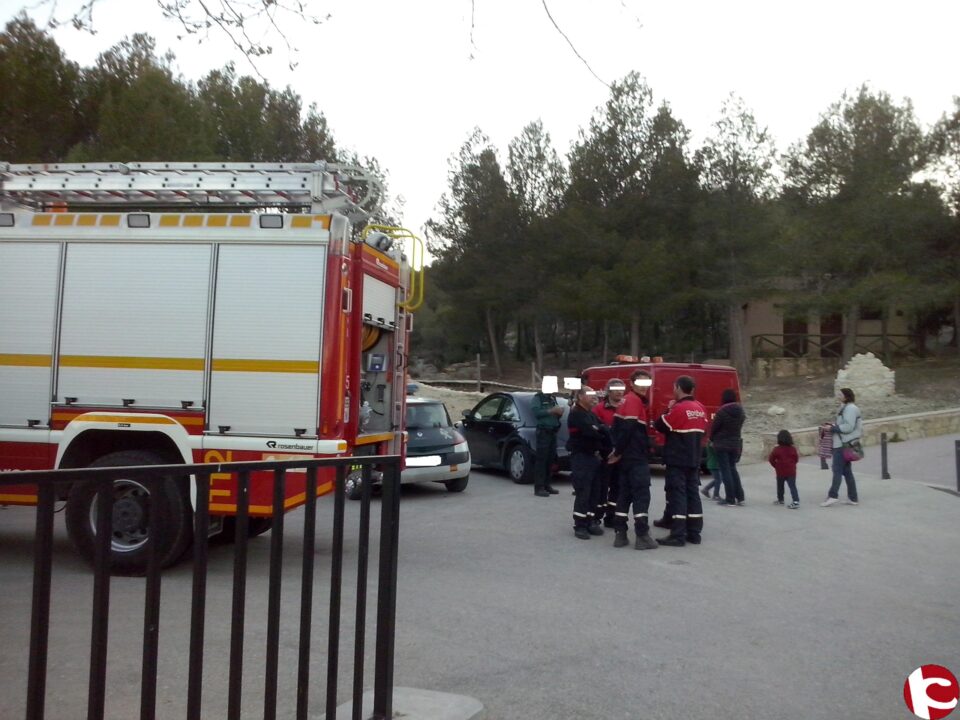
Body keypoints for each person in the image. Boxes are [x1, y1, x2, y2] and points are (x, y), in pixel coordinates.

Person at [653, 376, 709, 546]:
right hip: (694, 458)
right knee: (693, 494)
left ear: (678, 388)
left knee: (678, 495)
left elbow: (659, 425)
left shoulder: (679, 408)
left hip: (677, 459)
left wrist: (668, 409)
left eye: (674, 387)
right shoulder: (700, 408)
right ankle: (694, 532)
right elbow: (705, 430)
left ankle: (677, 534)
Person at [608, 370, 657, 550]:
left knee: (625, 494)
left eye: (647, 384)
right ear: (632, 383)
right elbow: (628, 429)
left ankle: (620, 534)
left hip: (627, 458)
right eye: (640, 383)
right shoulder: (634, 401)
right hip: (635, 457)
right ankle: (642, 535)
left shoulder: (625, 401)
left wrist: (618, 451)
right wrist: (618, 452)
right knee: (641, 495)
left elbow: (615, 429)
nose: (644, 387)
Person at [566, 386, 611, 539]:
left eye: (594, 394)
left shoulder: (590, 414)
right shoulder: (576, 414)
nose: (594, 397)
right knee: (583, 491)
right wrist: (600, 430)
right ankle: (580, 525)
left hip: (594, 457)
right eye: (590, 394)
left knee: (595, 491)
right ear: (580, 397)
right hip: (582, 457)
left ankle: (590, 520)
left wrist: (601, 429)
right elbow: (592, 432)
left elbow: (603, 429)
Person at [821, 387, 862, 507]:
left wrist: (833, 428)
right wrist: (833, 425)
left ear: (846, 396)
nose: (838, 396)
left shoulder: (850, 409)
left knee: (837, 470)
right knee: (847, 472)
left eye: (840, 394)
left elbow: (848, 426)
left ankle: (833, 496)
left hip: (842, 444)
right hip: (843, 443)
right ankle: (853, 498)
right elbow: (844, 424)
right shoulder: (846, 408)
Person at [592, 378, 625, 526]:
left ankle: (611, 516)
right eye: (615, 389)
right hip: (605, 454)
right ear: (608, 391)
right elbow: (594, 431)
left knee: (618, 486)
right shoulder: (599, 409)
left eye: (621, 389)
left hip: (621, 453)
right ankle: (596, 516)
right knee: (601, 486)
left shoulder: (626, 407)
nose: (619, 392)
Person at [711, 388, 746, 507]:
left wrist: (711, 438)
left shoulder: (721, 411)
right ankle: (740, 497)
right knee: (733, 469)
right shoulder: (741, 411)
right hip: (735, 443)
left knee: (725, 471)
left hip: (721, 444)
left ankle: (730, 498)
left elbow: (714, 427)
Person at [531, 379, 564, 497]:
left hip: (552, 431)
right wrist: (551, 410)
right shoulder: (538, 398)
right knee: (542, 460)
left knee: (550, 459)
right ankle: (539, 487)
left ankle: (547, 485)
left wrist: (559, 412)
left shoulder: (552, 398)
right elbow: (536, 413)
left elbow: (556, 412)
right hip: (543, 431)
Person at [769, 429, 800, 508]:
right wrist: (792, 465)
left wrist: (776, 466)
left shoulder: (777, 449)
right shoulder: (793, 448)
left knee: (780, 486)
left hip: (780, 470)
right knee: (792, 486)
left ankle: (780, 500)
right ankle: (796, 501)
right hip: (791, 470)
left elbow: (771, 459)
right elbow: (796, 459)